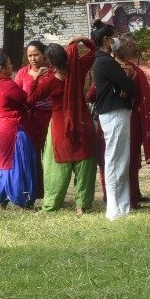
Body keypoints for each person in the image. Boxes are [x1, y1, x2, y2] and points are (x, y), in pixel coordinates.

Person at [41, 39, 98, 214]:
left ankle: (52, 204)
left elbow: (31, 98)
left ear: (49, 62)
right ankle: (82, 205)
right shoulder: (79, 68)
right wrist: (81, 40)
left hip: (60, 125)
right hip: (82, 120)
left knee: (57, 166)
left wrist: (36, 79)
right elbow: (94, 50)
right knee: (85, 165)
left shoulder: (49, 80)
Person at [91, 23, 137, 220]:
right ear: (106, 40)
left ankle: (123, 205)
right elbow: (129, 85)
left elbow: (128, 87)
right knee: (113, 160)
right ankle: (114, 208)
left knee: (121, 159)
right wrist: (125, 87)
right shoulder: (105, 62)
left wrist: (125, 88)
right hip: (113, 112)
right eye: (115, 36)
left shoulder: (105, 61)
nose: (118, 40)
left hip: (118, 111)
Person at [0, 55, 36, 208]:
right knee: (18, 163)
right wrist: (35, 80)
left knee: (2, 163)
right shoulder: (7, 85)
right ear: (1, 68)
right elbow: (28, 100)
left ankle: (1, 199)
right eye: (8, 63)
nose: (11, 65)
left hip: (0, 128)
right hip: (15, 130)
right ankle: (23, 199)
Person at [116, 38, 150, 207]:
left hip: (128, 116)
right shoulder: (128, 70)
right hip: (130, 117)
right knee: (130, 159)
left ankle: (134, 194)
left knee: (129, 158)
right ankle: (131, 197)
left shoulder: (124, 68)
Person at [15, 41, 58, 203]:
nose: (33, 58)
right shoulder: (22, 73)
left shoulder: (53, 71)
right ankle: (37, 191)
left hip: (50, 118)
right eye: (29, 55)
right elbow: (17, 94)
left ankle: (52, 192)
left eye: (36, 54)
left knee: (50, 157)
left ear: (44, 54)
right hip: (29, 121)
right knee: (33, 157)